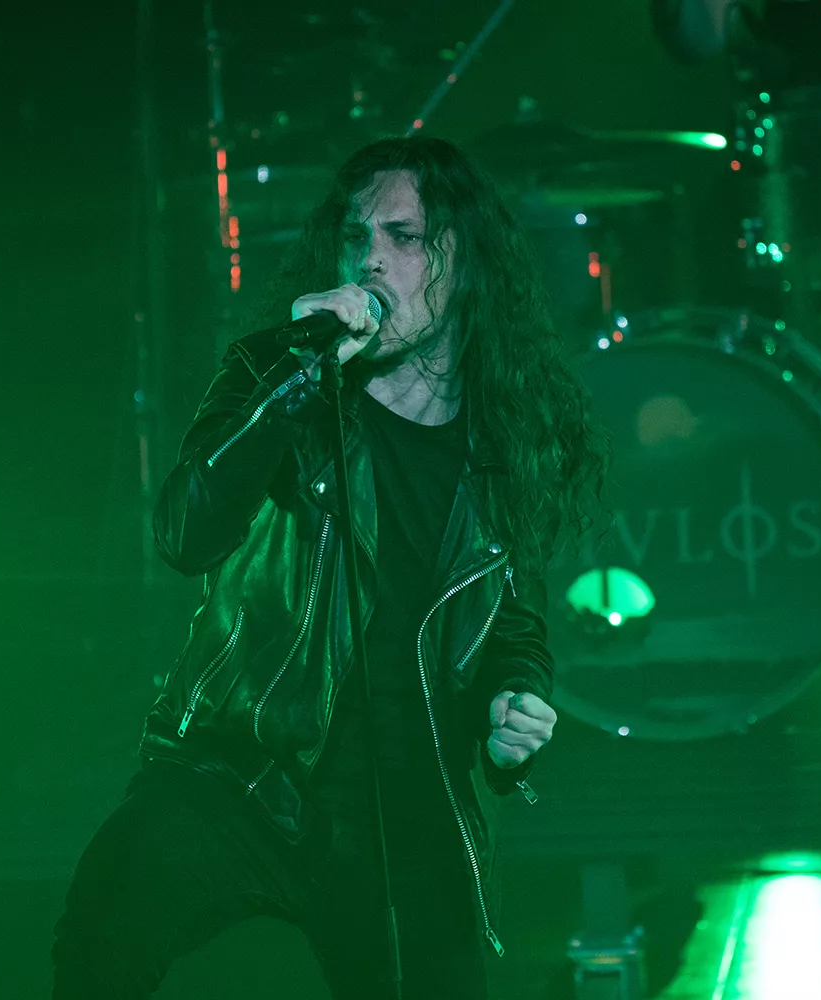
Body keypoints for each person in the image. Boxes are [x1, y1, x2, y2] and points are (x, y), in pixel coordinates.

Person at [52, 136, 609, 999]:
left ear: (465, 261)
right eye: (356, 237)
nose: (370, 259)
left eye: (403, 236)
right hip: (245, 769)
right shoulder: (276, 375)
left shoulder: (507, 437)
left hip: (406, 802)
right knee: (109, 917)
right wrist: (296, 375)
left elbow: (511, 618)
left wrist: (515, 697)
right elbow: (185, 533)